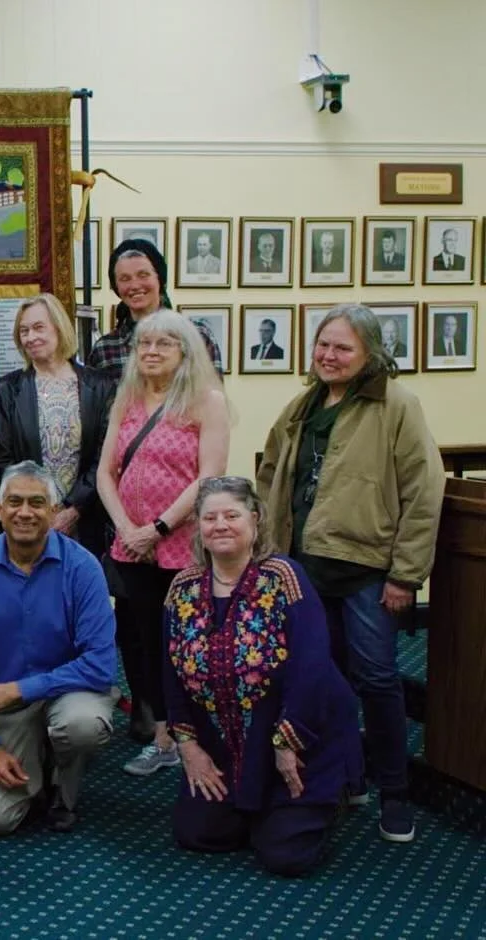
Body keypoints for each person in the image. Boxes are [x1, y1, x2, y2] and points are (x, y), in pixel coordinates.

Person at [256, 303, 445, 843]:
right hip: (304, 569)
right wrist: (270, 553)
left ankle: (395, 791)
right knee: (323, 679)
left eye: (343, 347)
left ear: (369, 354)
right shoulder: (303, 405)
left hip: (367, 570)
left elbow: (423, 492)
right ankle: (345, 776)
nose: (329, 356)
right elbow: (271, 472)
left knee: (378, 679)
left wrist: (406, 575)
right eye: (323, 345)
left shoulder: (397, 406)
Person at [167, 477, 364, 877]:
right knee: (198, 833)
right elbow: (169, 670)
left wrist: (288, 741)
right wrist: (188, 745)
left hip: (296, 737)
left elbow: (312, 668)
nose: (220, 525)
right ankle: (258, 809)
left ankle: (330, 792)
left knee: (285, 857)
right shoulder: (183, 587)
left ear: (255, 522)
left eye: (232, 515)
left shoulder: (283, 577)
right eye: (210, 517)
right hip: (225, 744)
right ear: (199, 529)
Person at [0, 462, 117, 835]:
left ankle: (61, 793)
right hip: (2, 709)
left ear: (53, 512)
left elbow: (101, 665)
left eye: (37, 502)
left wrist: (20, 688)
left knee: (81, 725)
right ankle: (34, 763)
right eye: (14, 502)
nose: (25, 512)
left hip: (68, 695)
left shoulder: (84, 569)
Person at [97, 310, 229, 772]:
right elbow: (105, 473)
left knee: (186, 643)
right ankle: (163, 734)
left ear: (184, 351)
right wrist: (127, 531)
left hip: (180, 545)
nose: (151, 352)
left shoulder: (206, 401)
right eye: (143, 344)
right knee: (143, 641)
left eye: (163, 345)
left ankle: (193, 734)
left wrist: (157, 529)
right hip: (131, 546)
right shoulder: (127, 398)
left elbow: (209, 477)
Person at [0, 293, 114, 556]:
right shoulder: (8, 390)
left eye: (38, 328)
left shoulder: (100, 386)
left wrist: (73, 509)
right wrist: (38, 509)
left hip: (86, 519)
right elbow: (2, 459)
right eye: (23, 331)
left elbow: (105, 456)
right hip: (28, 520)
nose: (30, 337)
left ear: (58, 327)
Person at [88, 239, 223, 383]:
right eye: (125, 278)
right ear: (116, 287)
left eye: (143, 275)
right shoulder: (105, 349)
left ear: (160, 278)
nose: (134, 285)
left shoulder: (197, 336)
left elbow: (214, 398)